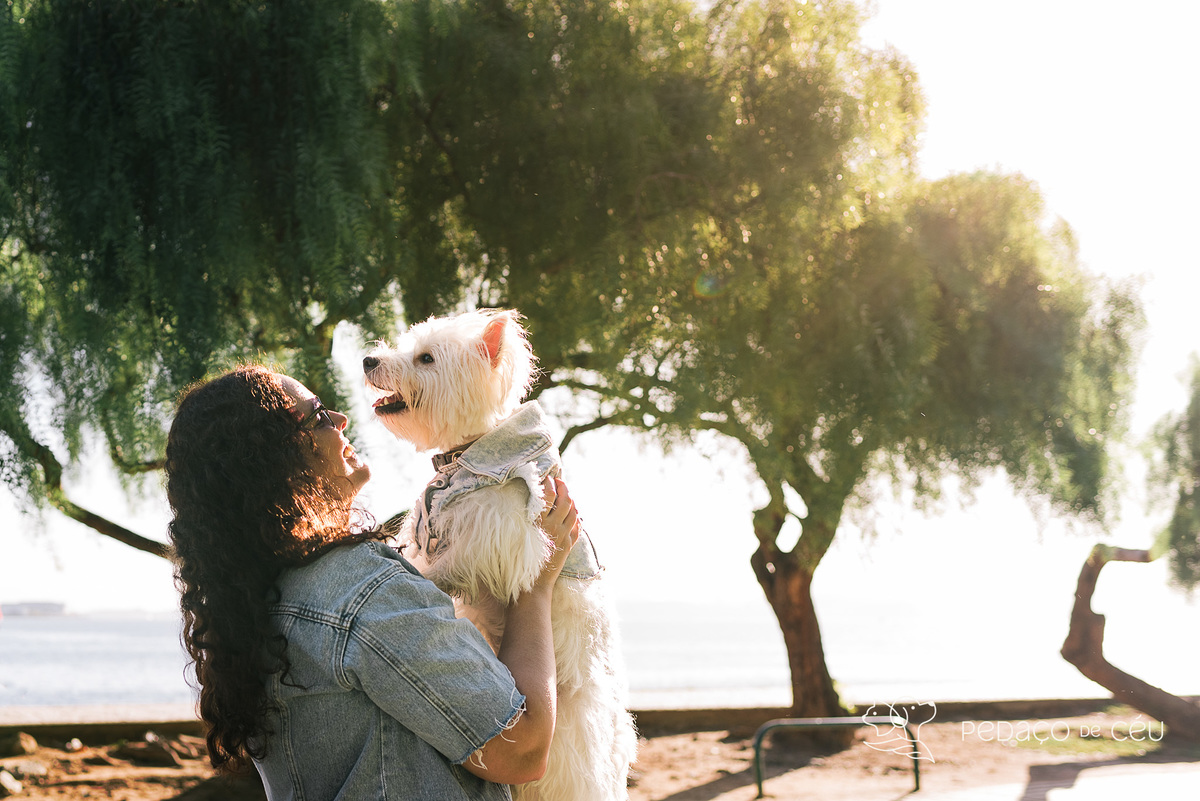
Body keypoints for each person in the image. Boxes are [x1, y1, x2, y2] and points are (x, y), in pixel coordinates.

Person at [165, 364, 580, 799]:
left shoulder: (261, 602)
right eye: (319, 414)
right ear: (275, 456)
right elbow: (522, 750)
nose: (341, 420)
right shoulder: (362, 592)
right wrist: (535, 582)